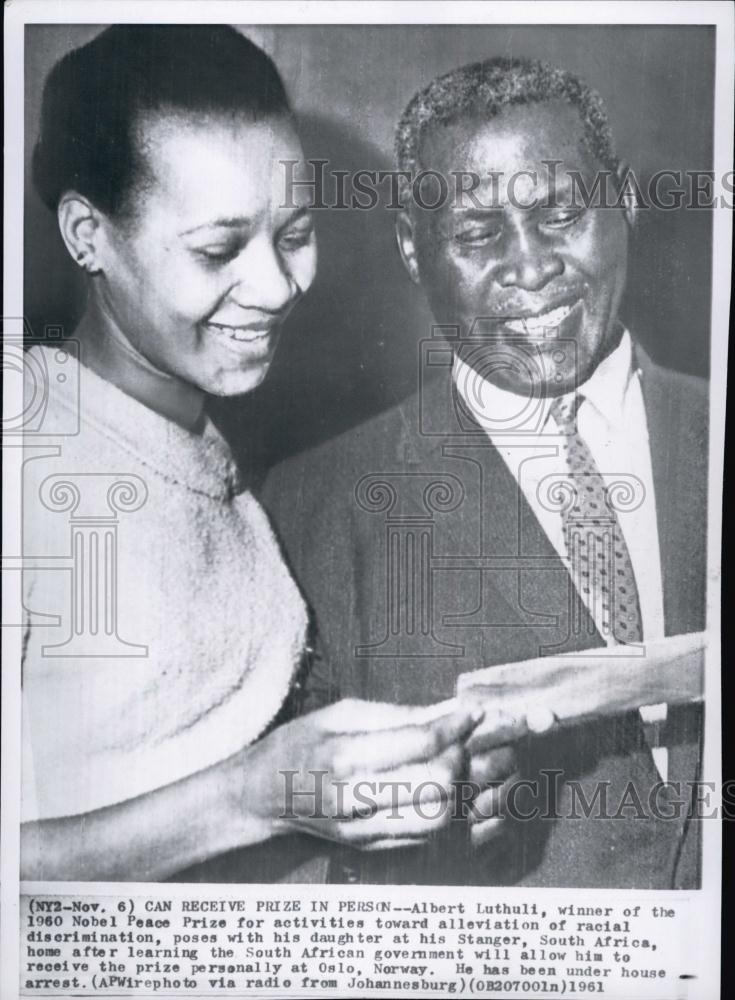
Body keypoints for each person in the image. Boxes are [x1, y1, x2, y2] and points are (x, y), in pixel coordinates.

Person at [20, 25, 498, 883]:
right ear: (88, 235)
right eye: (217, 250)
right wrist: (251, 799)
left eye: (294, 232)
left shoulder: (205, 450)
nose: (278, 287)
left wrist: (411, 783)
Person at [263, 57, 707, 888]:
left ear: (626, 205)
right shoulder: (306, 514)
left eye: (561, 214)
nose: (530, 267)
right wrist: (401, 857)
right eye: (476, 236)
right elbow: (275, 872)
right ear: (410, 249)